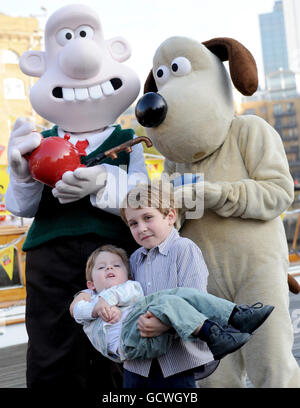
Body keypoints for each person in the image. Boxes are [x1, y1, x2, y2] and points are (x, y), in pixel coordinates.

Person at [5, 5, 148, 389]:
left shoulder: (127, 141)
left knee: (116, 337)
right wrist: (21, 174)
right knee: (52, 345)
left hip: (112, 251)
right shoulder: (40, 141)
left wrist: (103, 179)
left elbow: (142, 197)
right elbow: (20, 207)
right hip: (51, 255)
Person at [71, 182, 274, 388]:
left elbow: (195, 299)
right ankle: (232, 318)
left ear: (170, 216)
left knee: (175, 297)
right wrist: (81, 298)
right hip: (138, 363)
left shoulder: (184, 250)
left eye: (148, 218)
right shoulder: (133, 260)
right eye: (133, 223)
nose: (141, 228)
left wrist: (165, 325)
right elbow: (113, 289)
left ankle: (230, 320)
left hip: (175, 361)